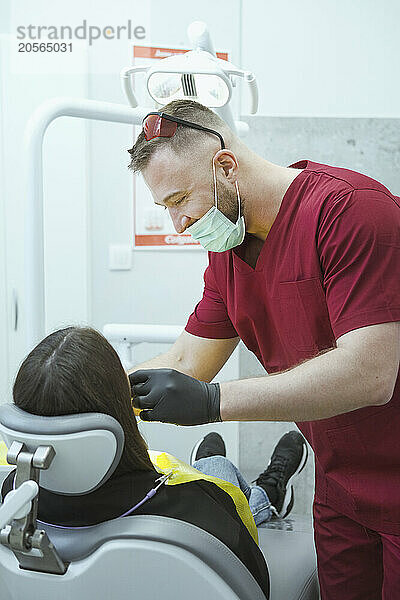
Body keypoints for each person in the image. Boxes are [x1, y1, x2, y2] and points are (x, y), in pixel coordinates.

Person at [127, 100, 400, 599]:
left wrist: (215, 404)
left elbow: (370, 372)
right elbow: (187, 362)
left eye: (180, 199)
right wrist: (84, 397)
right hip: (339, 485)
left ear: (226, 166)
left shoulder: (351, 211)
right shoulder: (227, 254)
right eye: (167, 207)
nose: (179, 223)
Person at [0, 326, 308, 599]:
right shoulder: (194, 503)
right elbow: (254, 580)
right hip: (210, 506)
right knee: (220, 474)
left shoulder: (12, 503)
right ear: (121, 408)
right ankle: (266, 491)